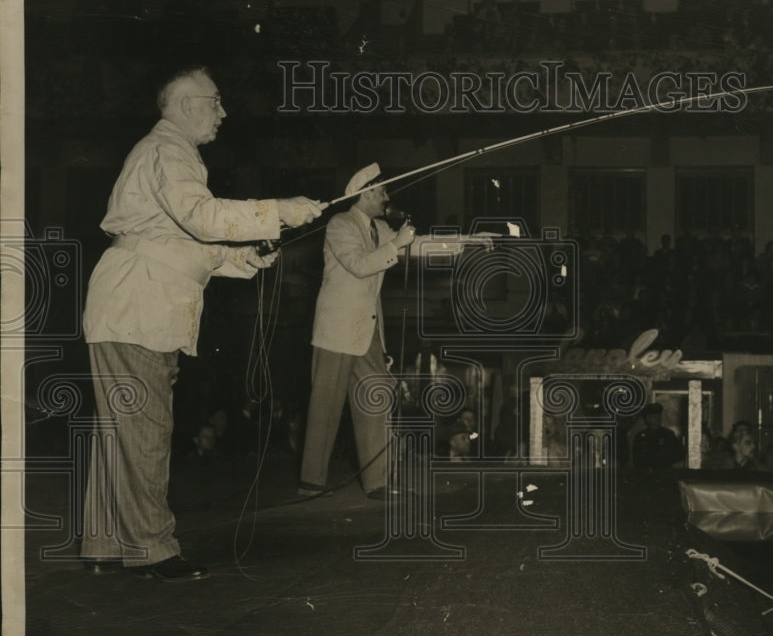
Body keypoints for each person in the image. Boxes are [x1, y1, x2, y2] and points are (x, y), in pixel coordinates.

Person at [80, 66, 323, 582]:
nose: (223, 112)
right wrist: (277, 209)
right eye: (215, 102)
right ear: (189, 105)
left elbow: (183, 243)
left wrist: (243, 260)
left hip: (129, 299)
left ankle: (105, 543)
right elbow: (202, 218)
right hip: (138, 305)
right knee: (145, 428)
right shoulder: (170, 150)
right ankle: (153, 550)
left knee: (121, 427)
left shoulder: (164, 152)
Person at [299, 163, 494, 500]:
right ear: (365, 193)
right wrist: (397, 244)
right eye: (383, 191)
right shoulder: (339, 224)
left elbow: (417, 246)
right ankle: (311, 483)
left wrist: (468, 240)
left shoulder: (378, 227)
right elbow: (359, 265)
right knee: (325, 406)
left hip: (367, 333)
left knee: (377, 399)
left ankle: (377, 481)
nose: (387, 197)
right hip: (336, 330)